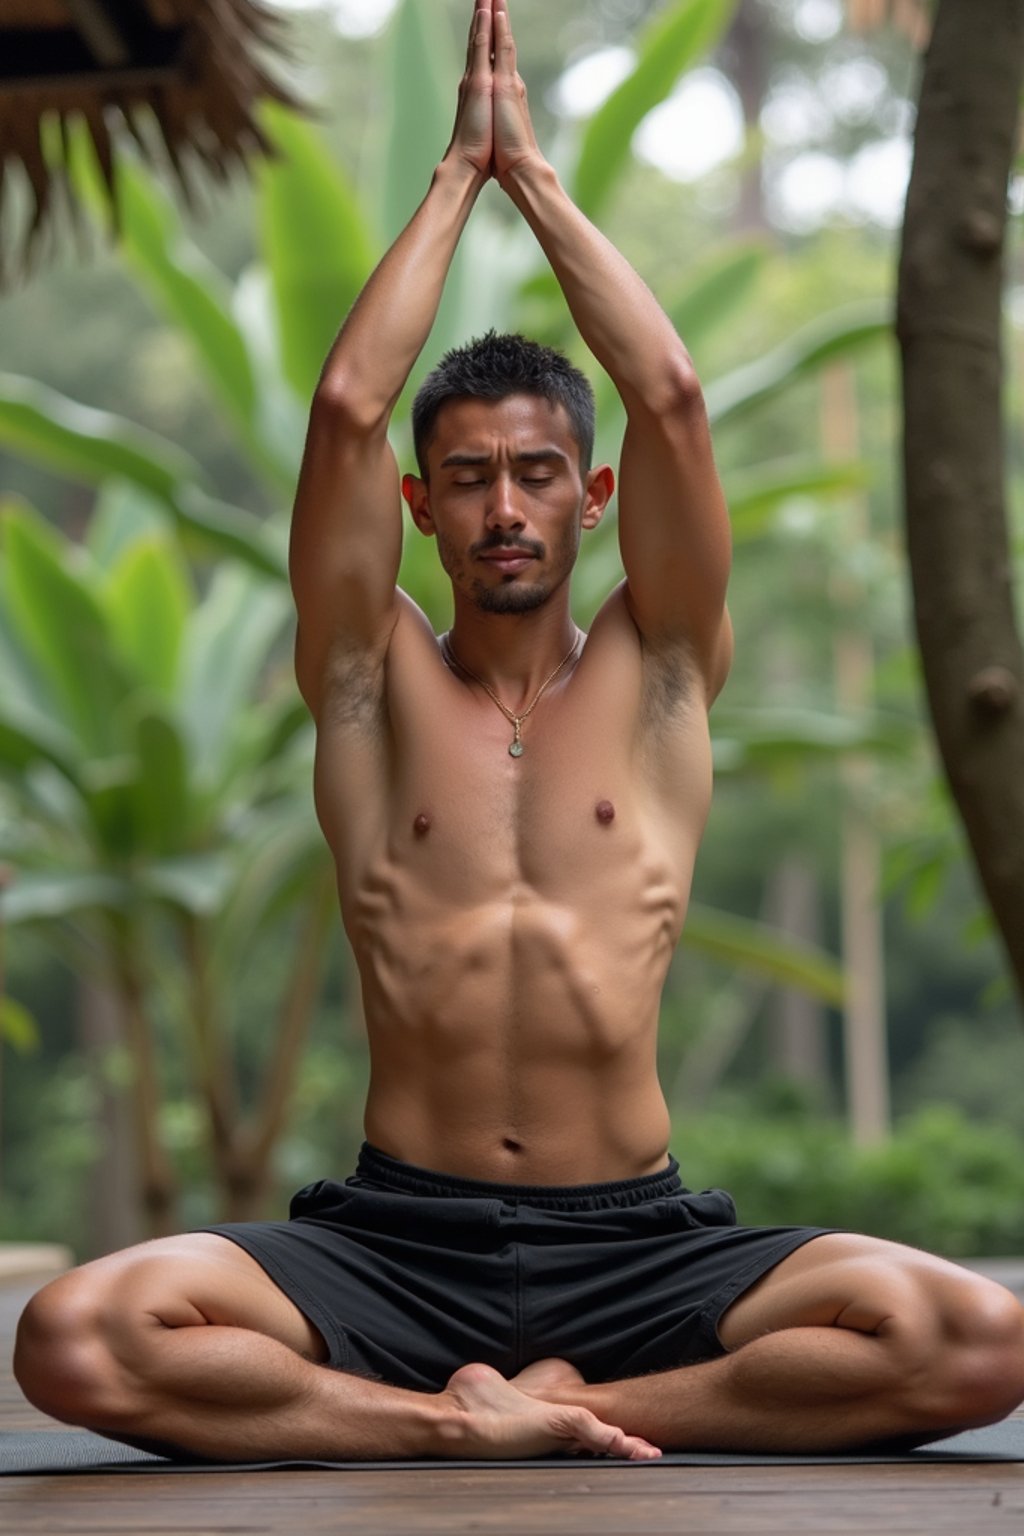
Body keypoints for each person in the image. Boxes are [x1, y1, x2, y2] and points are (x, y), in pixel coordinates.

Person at [14, 0, 1024, 1464]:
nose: (503, 507)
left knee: (976, 1340)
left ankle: (570, 1407)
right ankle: (436, 1428)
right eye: (470, 478)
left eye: (539, 473)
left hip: (637, 1239)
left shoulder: (664, 670)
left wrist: (538, 186)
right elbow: (349, 405)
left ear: (589, 498)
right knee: (75, 1337)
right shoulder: (364, 679)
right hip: (395, 1240)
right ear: (418, 509)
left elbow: (671, 399)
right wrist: (450, 182)